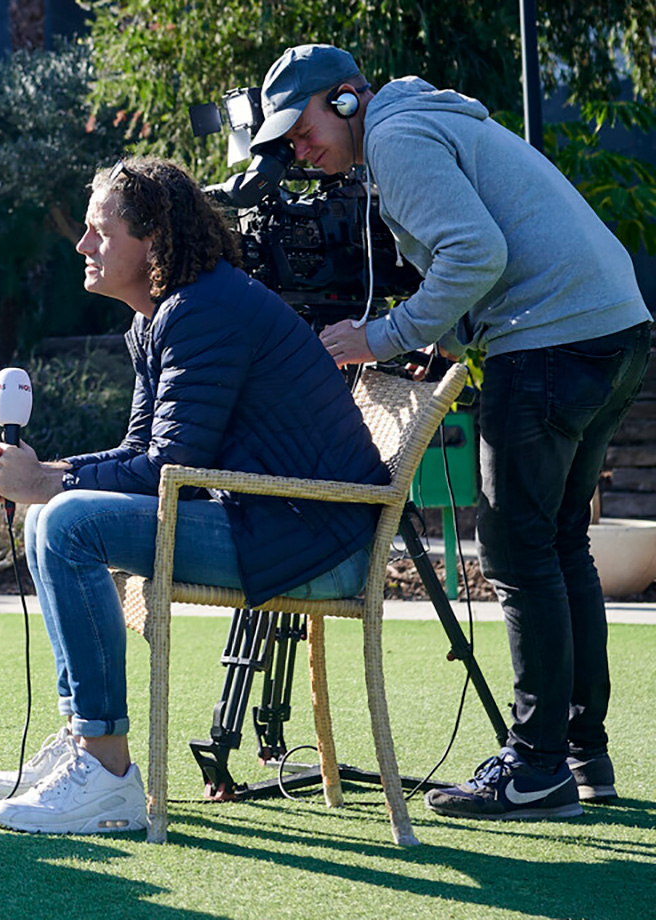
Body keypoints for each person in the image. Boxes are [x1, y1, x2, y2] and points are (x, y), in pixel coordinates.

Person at [253, 44, 652, 820]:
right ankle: (580, 752)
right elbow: (487, 252)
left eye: (298, 128)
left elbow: (476, 251)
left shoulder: (395, 137)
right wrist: (449, 328)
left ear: (343, 101)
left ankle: (536, 768)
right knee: (560, 542)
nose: (294, 149)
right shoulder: (426, 119)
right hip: (615, 331)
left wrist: (381, 336)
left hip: (549, 339)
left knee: (514, 549)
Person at [0, 158, 389, 835]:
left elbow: (173, 467)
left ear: (155, 241)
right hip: (272, 521)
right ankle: (87, 738)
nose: (82, 247)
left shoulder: (206, 310)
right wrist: (46, 472)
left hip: (315, 544)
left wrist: (48, 482)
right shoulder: (161, 317)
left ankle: (107, 775)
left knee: (67, 520)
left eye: (99, 232)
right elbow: (144, 457)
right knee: (54, 515)